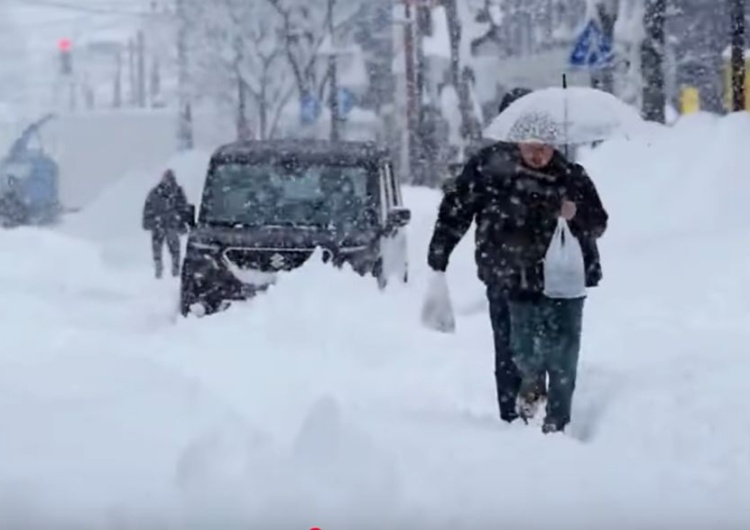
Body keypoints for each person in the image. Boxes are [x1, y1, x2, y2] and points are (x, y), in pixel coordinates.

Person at [426, 140, 607, 432]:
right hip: (506, 276)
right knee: (512, 351)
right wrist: (439, 252)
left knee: (557, 352)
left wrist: (575, 213)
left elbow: (597, 223)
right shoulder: (489, 168)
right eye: (531, 145)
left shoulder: (569, 175)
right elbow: (456, 205)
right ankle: (514, 421)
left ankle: (553, 421)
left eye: (545, 146)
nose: (538, 154)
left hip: (558, 282)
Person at [142, 169, 190, 278]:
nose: (169, 181)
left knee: (175, 251)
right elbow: (148, 212)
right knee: (158, 251)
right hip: (159, 226)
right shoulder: (155, 194)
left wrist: (181, 222)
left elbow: (184, 210)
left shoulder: (177, 193)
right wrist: (153, 221)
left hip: (171, 225)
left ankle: (175, 272)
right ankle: (159, 272)